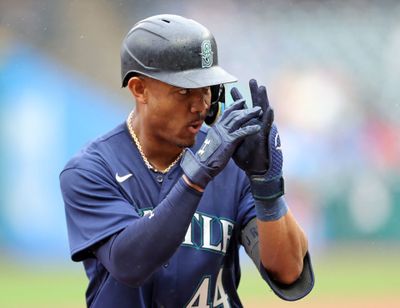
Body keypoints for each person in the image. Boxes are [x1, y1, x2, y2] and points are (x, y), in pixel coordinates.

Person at [60, 14, 314, 308]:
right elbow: (130, 264)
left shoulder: (231, 161)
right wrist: (197, 176)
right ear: (139, 89)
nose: (200, 104)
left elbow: (289, 271)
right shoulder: (92, 169)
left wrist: (267, 186)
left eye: (207, 88)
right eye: (183, 91)